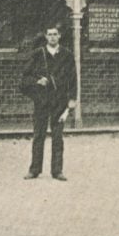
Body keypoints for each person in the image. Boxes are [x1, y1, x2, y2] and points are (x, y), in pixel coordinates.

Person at [21, 24, 77, 182]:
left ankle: (57, 170)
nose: (52, 37)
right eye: (50, 34)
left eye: (55, 34)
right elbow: (25, 77)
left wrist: (72, 99)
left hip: (59, 101)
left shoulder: (67, 55)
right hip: (42, 100)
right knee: (38, 135)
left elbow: (73, 78)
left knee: (57, 136)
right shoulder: (38, 54)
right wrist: (38, 81)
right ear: (45, 36)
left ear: (59, 36)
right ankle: (34, 169)